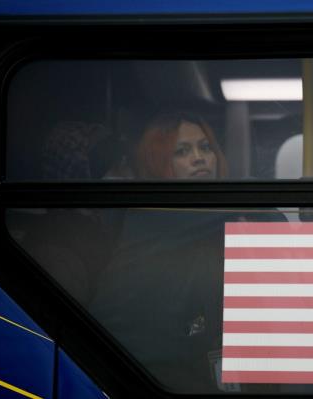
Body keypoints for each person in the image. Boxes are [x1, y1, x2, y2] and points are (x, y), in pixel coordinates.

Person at [87, 110, 283, 393]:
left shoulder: (212, 224)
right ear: (158, 163)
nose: (199, 157)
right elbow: (270, 210)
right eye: (182, 151)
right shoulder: (149, 217)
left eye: (205, 148)